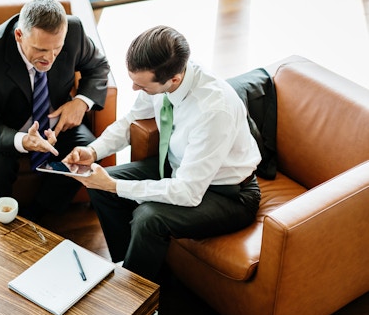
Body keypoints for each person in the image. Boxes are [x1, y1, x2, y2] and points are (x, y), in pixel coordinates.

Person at [63, 25, 262, 282]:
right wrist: (93, 150)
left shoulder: (213, 111)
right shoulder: (166, 78)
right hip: (179, 167)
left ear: (174, 80)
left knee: (148, 218)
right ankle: (130, 266)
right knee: (97, 183)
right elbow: (133, 118)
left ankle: (134, 298)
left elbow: (188, 192)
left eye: (142, 86)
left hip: (229, 193)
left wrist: (115, 186)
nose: (134, 90)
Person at [0, 0, 110, 221]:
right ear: (19, 36)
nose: (50, 59)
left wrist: (81, 101)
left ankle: (40, 216)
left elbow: (98, 66)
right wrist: (23, 140)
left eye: (57, 49)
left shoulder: (73, 31)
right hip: (5, 128)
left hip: (55, 122)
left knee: (89, 150)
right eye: (41, 50)